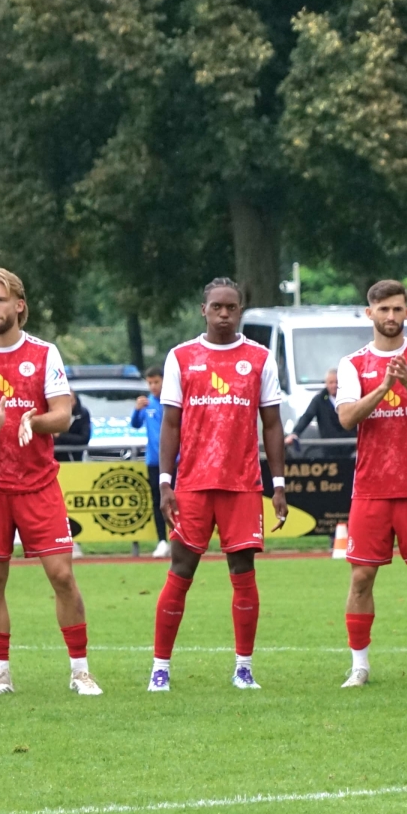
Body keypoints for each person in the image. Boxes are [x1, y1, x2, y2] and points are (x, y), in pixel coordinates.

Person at [0, 268, 102, 697]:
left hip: (38, 481)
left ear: (19, 304)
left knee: (62, 575)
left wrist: (34, 421)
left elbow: (63, 415)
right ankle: (0, 676)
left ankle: (80, 672)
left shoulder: (45, 353)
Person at [149, 277, 289, 691]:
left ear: (240, 310)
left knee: (243, 572)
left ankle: (243, 668)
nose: (224, 314)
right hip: (192, 485)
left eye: (231, 307)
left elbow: (272, 424)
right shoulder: (181, 357)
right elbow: (170, 423)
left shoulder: (260, 358)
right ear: (203, 310)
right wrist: (165, 482)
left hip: (242, 485)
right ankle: (160, 668)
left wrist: (278, 484)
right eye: (217, 307)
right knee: (180, 571)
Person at [334, 280, 407, 686]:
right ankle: (359, 666)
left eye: (397, 309)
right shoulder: (353, 364)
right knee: (361, 578)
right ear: (370, 313)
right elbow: (347, 418)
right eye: (383, 309)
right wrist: (384, 386)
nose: (390, 316)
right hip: (371, 489)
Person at [131, 370, 169, 557]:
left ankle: (181, 539)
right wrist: (136, 409)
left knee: (180, 500)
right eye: (150, 383)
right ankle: (162, 541)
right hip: (154, 461)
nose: (153, 386)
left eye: (156, 382)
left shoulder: (171, 401)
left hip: (174, 461)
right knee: (157, 501)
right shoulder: (147, 403)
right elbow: (135, 424)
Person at [288, 369, 345, 448]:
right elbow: (307, 416)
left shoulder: (349, 399)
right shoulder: (319, 400)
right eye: (331, 382)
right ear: (326, 383)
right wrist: (295, 433)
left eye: (337, 382)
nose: (334, 385)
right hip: (329, 447)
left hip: (350, 445)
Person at [56, 392, 92, 461]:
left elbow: (84, 438)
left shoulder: (82, 414)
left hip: (77, 459)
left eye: (70, 401)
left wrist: (60, 436)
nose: (67, 405)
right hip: (56, 459)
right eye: (64, 402)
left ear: (75, 400)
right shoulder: (51, 414)